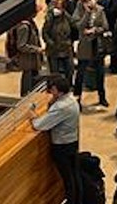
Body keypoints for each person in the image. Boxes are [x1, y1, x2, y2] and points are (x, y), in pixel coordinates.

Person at [31, 75, 81, 204]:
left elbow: (39, 125)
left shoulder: (61, 107)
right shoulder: (71, 100)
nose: (50, 92)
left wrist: (33, 116)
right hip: (72, 142)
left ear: (59, 91)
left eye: (52, 89)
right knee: (74, 176)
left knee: (68, 179)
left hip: (62, 146)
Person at [73, 0, 110, 108]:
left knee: (100, 73)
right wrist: (87, 14)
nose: (90, 3)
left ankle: (102, 97)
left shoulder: (100, 10)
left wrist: (94, 30)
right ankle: (77, 98)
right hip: (85, 46)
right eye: (87, 1)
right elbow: (79, 26)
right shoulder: (79, 11)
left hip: (97, 45)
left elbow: (105, 26)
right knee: (81, 74)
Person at [42, 0, 77, 84]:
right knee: (55, 73)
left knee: (70, 70)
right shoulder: (50, 17)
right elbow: (45, 33)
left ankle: (68, 86)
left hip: (66, 47)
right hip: (54, 49)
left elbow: (74, 24)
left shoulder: (65, 15)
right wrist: (51, 43)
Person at [13, 11, 43, 96]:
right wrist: (37, 49)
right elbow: (21, 46)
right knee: (27, 82)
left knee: (33, 80)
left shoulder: (30, 24)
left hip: (32, 59)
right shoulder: (24, 27)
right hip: (27, 59)